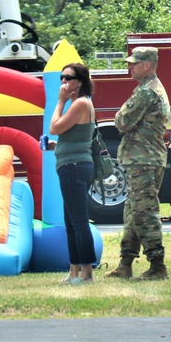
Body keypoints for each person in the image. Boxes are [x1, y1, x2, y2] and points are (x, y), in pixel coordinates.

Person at [105, 47, 171, 280]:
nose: (129, 66)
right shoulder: (149, 89)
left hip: (144, 160)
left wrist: (120, 115)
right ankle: (125, 264)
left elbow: (122, 122)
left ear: (147, 65)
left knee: (144, 213)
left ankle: (157, 266)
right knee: (132, 213)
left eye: (134, 63)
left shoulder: (147, 92)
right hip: (144, 159)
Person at [49, 62, 97, 284]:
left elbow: (55, 127)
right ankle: (74, 271)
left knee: (78, 222)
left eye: (68, 78)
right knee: (71, 222)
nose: (63, 82)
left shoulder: (79, 103)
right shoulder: (78, 104)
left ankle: (86, 273)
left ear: (80, 81)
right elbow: (70, 137)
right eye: (61, 78)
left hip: (74, 168)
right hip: (72, 165)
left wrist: (59, 101)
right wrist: (55, 146)